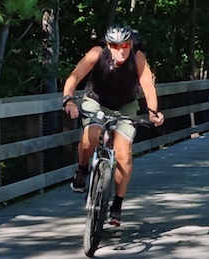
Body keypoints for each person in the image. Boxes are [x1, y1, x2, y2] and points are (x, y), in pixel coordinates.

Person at [61, 24, 164, 226]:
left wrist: (153, 112)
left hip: (125, 107)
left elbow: (148, 86)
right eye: (115, 46)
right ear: (108, 45)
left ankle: (117, 204)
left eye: (125, 45)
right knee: (91, 136)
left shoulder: (137, 57)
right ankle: (82, 170)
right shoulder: (97, 54)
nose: (120, 50)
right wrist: (68, 100)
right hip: (96, 101)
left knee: (124, 154)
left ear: (130, 44)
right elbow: (75, 77)